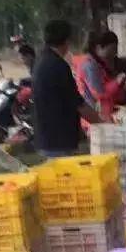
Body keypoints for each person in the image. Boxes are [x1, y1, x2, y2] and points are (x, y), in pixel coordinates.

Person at [32, 20, 102, 157]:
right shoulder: (58, 66)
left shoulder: (40, 61)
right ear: (66, 41)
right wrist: (101, 123)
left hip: (46, 136)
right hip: (59, 139)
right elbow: (77, 102)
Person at [75, 29, 126, 121]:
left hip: (106, 113)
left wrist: (123, 88)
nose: (115, 53)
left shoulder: (100, 63)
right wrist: (117, 82)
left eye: (115, 49)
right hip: (95, 116)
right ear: (98, 48)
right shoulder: (89, 65)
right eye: (112, 49)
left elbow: (110, 90)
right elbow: (99, 92)